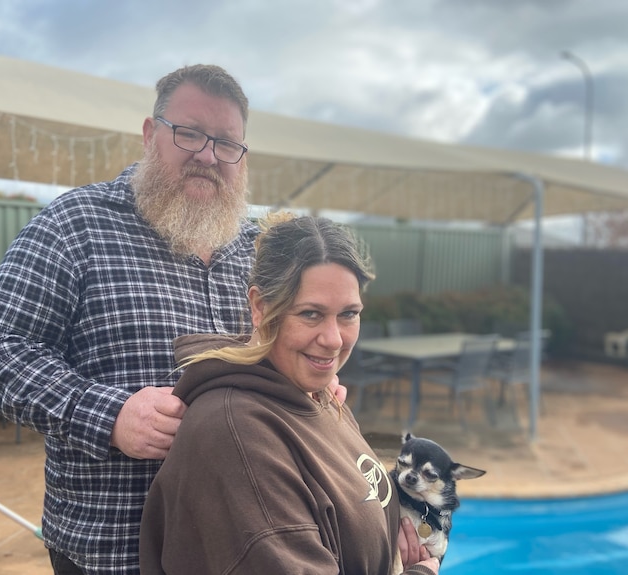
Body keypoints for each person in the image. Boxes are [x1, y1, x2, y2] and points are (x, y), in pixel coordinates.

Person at [0, 64, 264, 575]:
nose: (208, 155)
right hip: (113, 547)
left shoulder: (256, 247)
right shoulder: (74, 224)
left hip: (237, 542)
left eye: (226, 143)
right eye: (189, 133)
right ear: (151, 135)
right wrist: (108, 415)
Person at [139, 213, 440, 575]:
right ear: (260, 307)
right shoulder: (237, 435)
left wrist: (385, 548)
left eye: (349, 314)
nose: (334, 339)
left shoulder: (320, 397)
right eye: (311, 314)